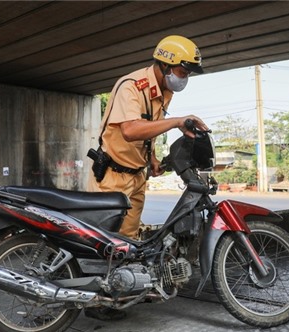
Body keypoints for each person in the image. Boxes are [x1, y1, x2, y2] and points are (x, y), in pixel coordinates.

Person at [87, 35, 208, 239]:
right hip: (112, 176)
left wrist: (151, 158)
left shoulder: (164, 91)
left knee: (128, 240)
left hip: (137, 176)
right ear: (165, 65)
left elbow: (149, 127)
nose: (184, 78)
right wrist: (177, 121)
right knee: (102, 241)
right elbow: (130, 130)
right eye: (182, 72)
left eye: (187, 74)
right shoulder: (131, 87)